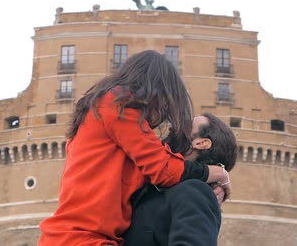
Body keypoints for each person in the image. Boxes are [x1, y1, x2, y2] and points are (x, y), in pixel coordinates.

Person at [38, 50, 231, 246]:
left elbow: (161, 169)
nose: (165, 118)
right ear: (156, 92)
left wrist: (217, 185)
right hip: (79, 239)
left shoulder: (111, 126)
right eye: (166, 104)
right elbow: (164, 169)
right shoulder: (118, 104)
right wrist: (217, 173)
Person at [123, 113, 238, 246]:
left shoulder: (194, 193)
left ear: (201, 143)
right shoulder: (154, 186)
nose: (175, 126)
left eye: (188, 124)